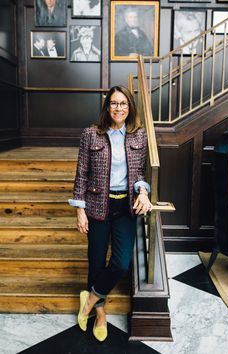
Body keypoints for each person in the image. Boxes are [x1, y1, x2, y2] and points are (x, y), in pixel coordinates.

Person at [68, 86, 152, 341]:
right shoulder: (91, 134)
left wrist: (143, 192)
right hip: (96, 205)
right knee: (96, 259)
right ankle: (101, 315)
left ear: (130, 108)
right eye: (114, 103)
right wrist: (80, 211)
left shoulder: (139, 136)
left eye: (123, 103)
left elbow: (140, 174)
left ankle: (90, 300)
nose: (118, 108)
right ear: (107, 107)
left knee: (121, 262)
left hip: (124, 207)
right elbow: (82, 173)